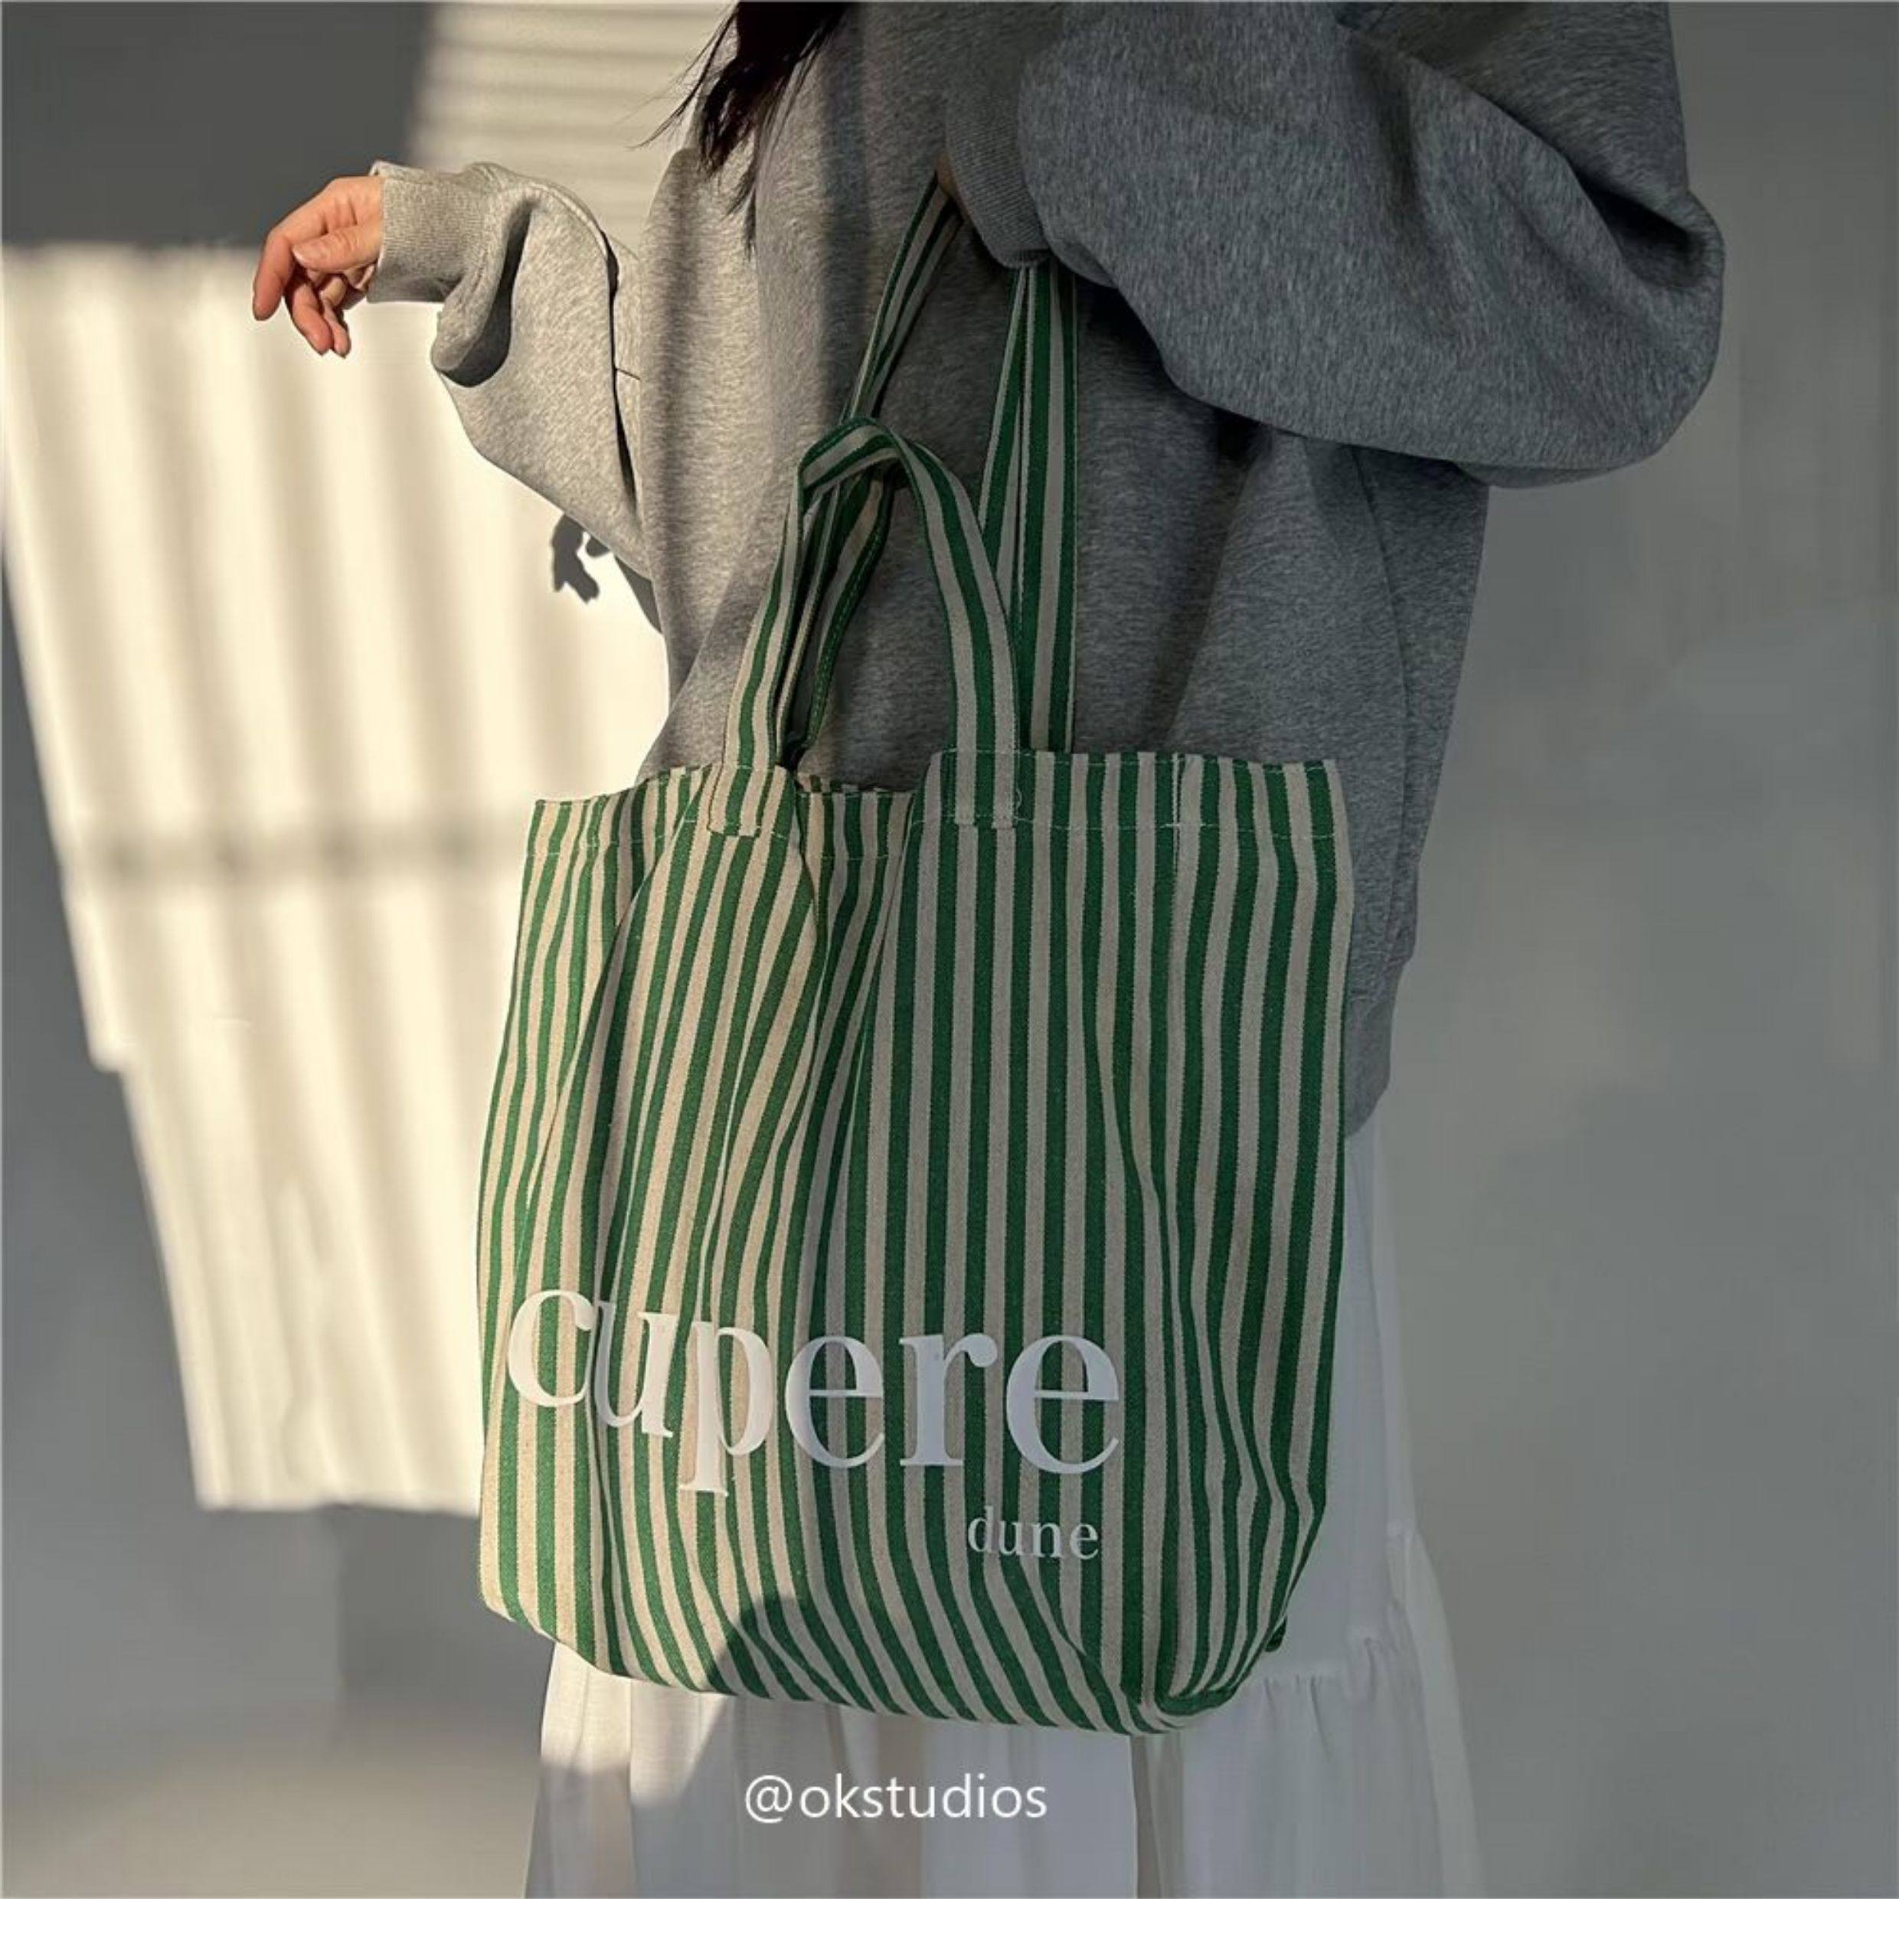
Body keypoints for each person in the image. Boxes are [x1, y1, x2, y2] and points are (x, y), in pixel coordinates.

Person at [251, 0, 1723, 1897]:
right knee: (777, 1686)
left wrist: (1084, 104)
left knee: (1116, 1692)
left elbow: (1602, 315)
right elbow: (780, 498)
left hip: (1150, 1109)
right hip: (790, 1060)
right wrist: (487, 258)